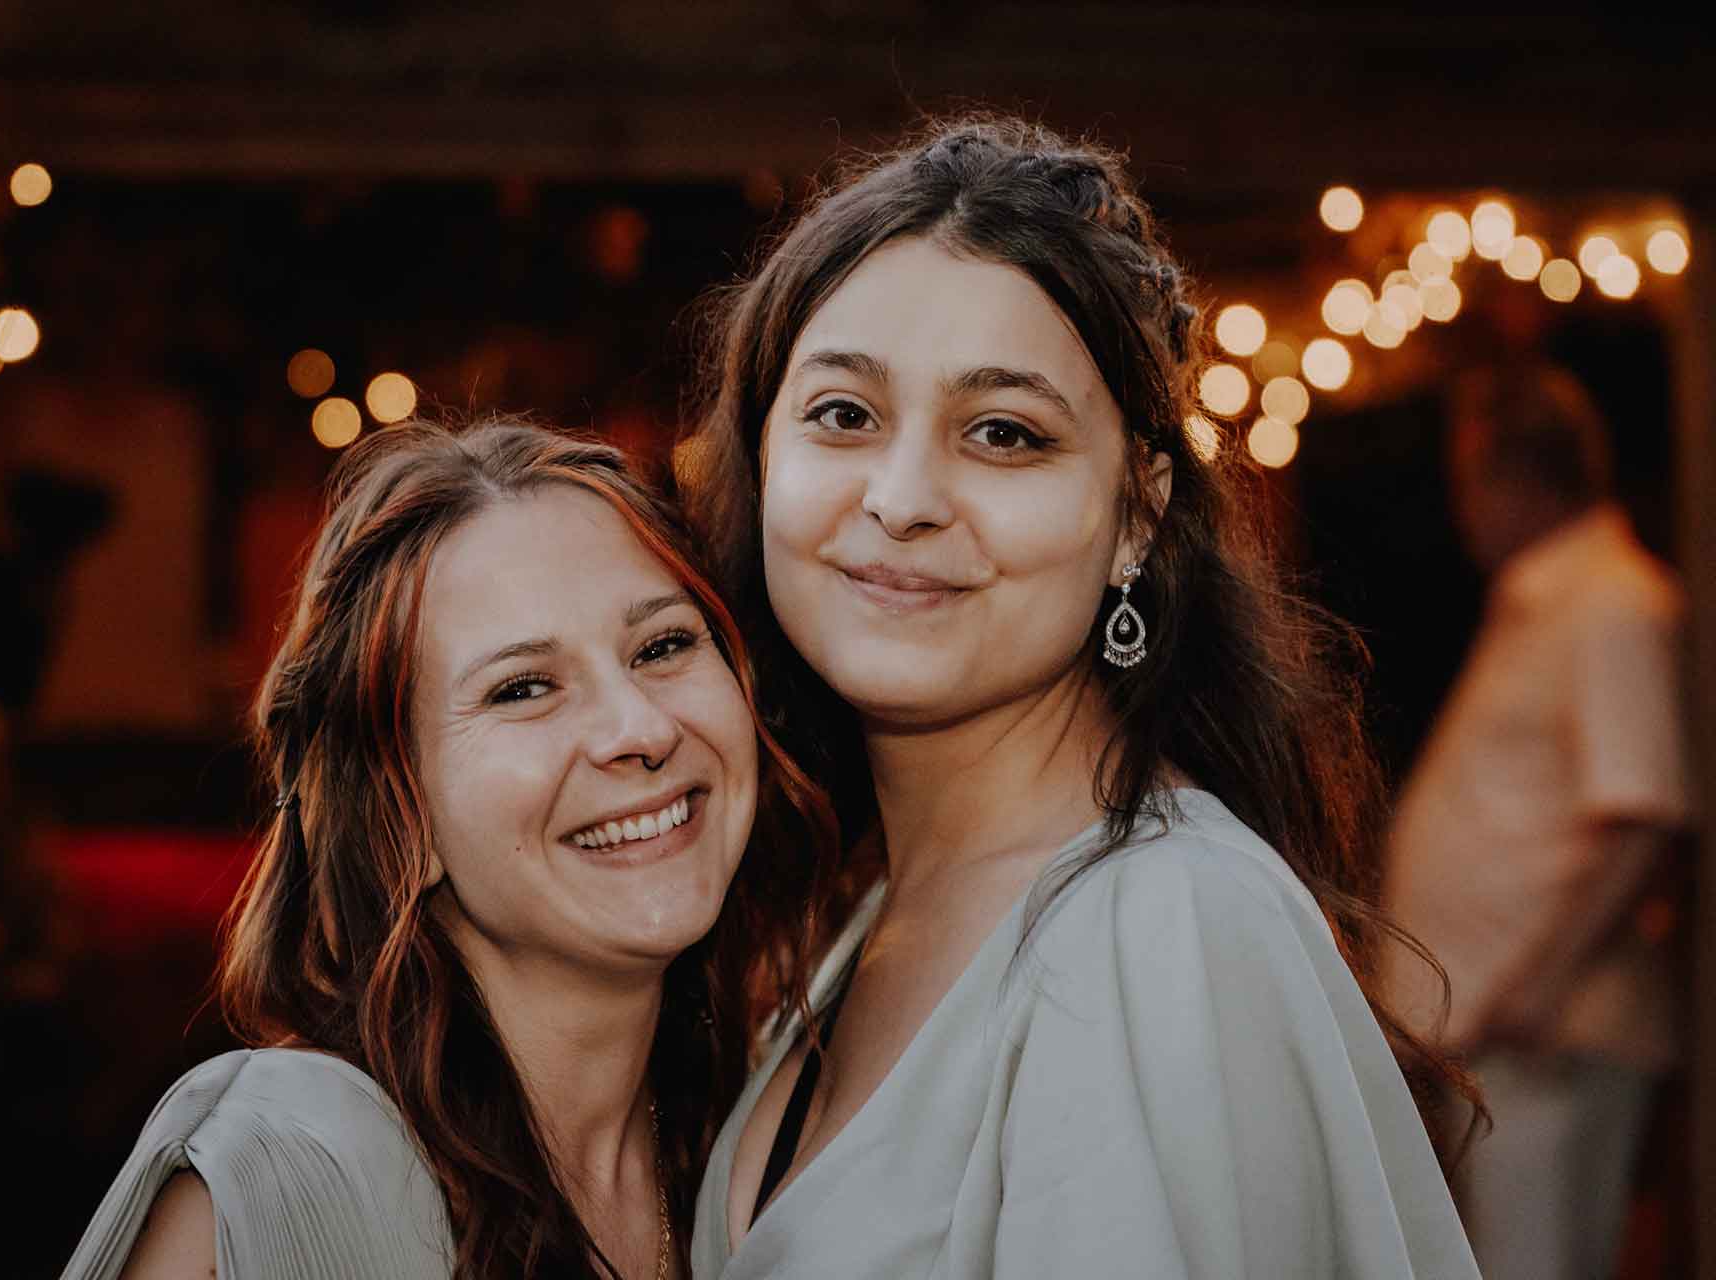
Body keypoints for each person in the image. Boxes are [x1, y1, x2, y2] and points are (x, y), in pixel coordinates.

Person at [675, 116, 1481, 1278]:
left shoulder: (1158, 931)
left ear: (1137, 512)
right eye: (844, 414)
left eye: (1003, 433)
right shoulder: (870, 919)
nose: (901, 498)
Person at [62, 418, 837, 1280]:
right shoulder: (288, 1171)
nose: (641, 728)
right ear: (400, 820)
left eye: (662, 645)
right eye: (524, 688)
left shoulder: (745, 1154)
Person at [1379, 365, 1693, 1280]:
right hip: (1512, 1041)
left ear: (1513, 477)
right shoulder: (1547, 602)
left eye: (1468, 483)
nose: (1464, 511)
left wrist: (1532, 994)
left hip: (1549, 1038)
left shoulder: (1607, 604)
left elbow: (1644, 817)